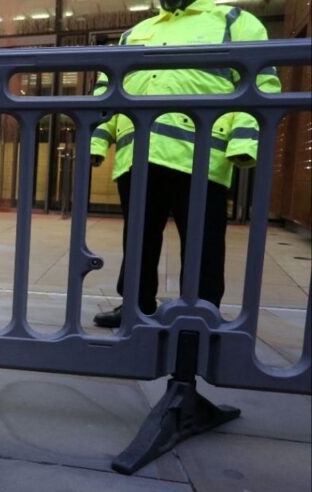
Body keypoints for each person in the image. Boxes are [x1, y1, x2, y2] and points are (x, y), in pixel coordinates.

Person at [90, 0, 281, 328]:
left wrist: (244, 143)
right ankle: (136, 306)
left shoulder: (235, 21)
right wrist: (97, 139)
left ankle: (201, 311)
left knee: (203, 242)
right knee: (138, 239)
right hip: (138, 154)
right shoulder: (136, 32)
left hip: (202, 156)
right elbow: (108, 90)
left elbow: (261, 85)